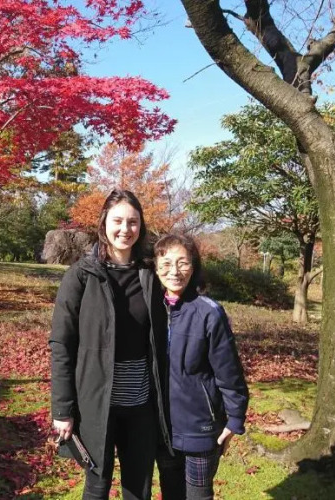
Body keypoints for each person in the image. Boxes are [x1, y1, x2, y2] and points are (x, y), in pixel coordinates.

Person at [49, 189, 171, 500]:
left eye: (133, 222)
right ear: (104, 223)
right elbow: (62, 343)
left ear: (141, 225)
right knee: (97, 485)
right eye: (118, 221)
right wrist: (62, 409)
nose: (125, 229)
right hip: (96, 402)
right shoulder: (81, 275)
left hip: (141, 403)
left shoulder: (151, 274)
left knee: (139, 487)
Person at [153, 234, 249, 500]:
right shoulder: (150, 310)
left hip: (201, 427)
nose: (174, 271)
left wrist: (235, 418)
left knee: (198, 495)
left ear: (193, 267)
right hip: (162, 428)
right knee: (171, 493)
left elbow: (229, 372)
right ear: (156, 268)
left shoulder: (209, 312)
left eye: (182, 263)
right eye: (166, 263)